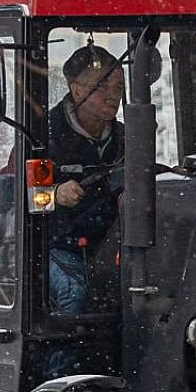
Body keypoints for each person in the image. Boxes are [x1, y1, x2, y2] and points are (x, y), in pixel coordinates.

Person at [48, 43, 126, 318]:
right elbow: (13, 197)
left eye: (118, 87)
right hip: (55, 245)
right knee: (75, 297)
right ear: (76, 89)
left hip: (113, 245)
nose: (112, 96)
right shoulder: (43, 136)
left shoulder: (126, 138)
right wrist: (54, 194)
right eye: (101, 87)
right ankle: (64, 360)